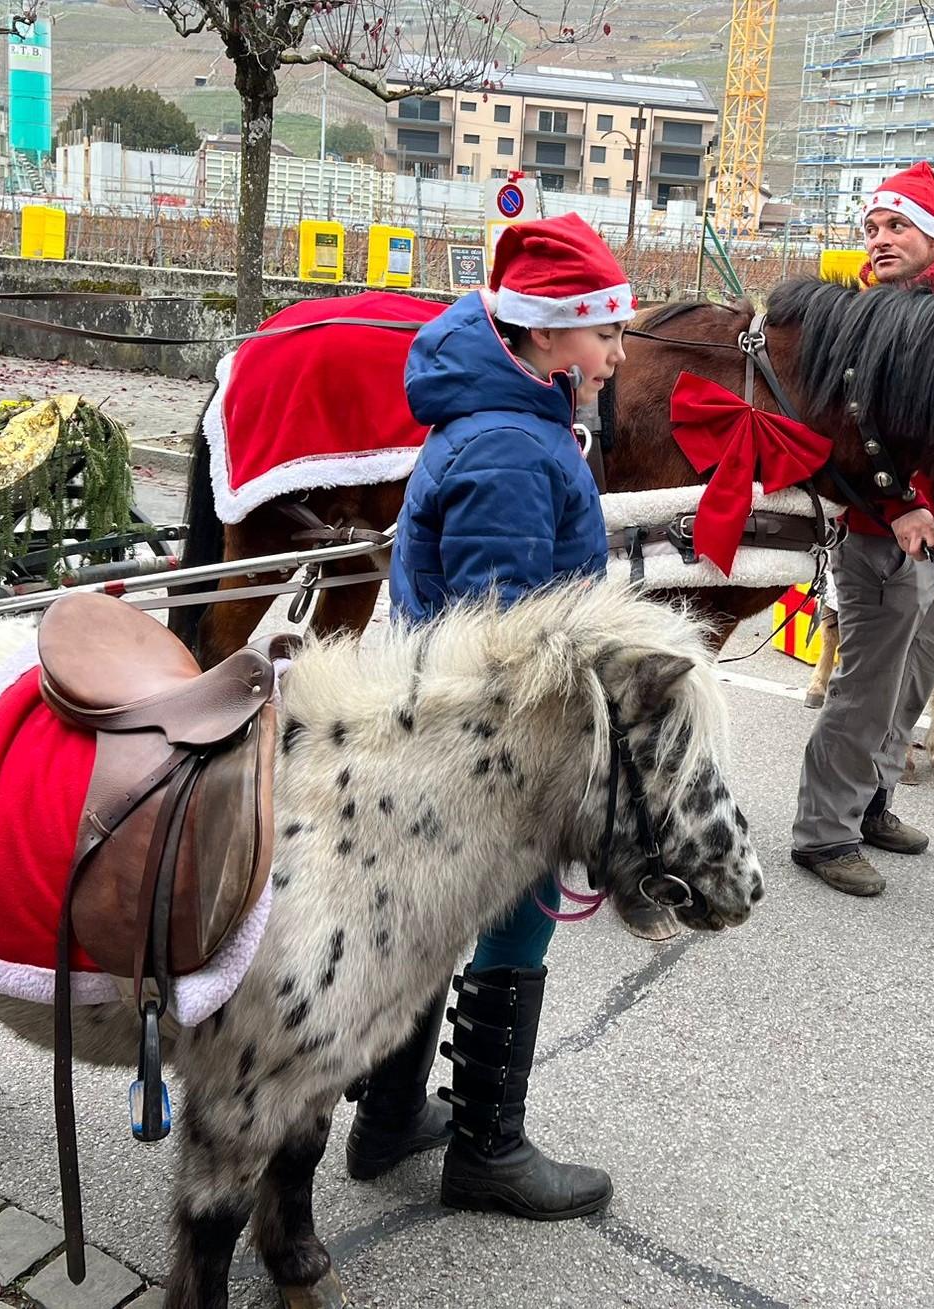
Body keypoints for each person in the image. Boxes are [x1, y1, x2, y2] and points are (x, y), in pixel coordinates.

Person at [346, 212, 629, 1222]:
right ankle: (488, 1147)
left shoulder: (516, 417)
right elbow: (499, 636)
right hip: (490, 744)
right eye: (604, 332)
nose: (615, 353)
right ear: (550, 334)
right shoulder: (513, 447)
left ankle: (387, 1116)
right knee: (513, 921)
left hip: (457, 726)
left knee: (433, 924)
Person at [791, 162, 934, 898]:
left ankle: (872, 804)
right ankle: (824, 833)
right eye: (871, 228)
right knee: (866, 687)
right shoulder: (864, 313)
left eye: (895, 226)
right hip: (879, 526)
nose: (878, 240)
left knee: (914, 678)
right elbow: (852, 425)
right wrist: (905, 500)